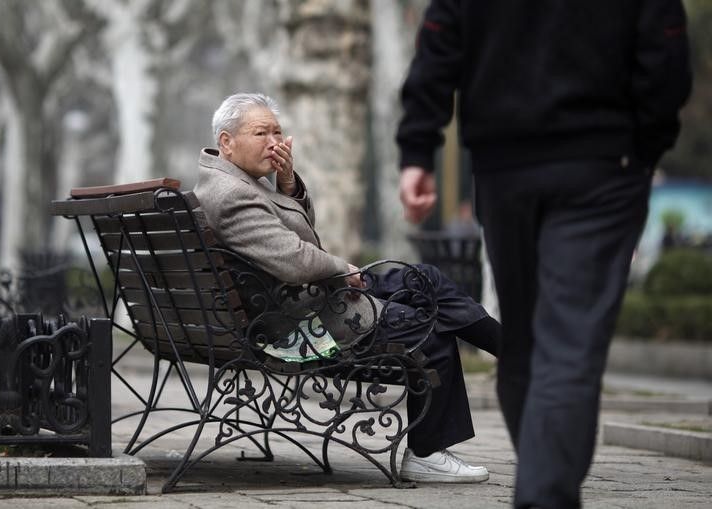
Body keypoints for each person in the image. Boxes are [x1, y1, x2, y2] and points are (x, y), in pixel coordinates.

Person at [395, 1, 692, 507]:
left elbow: (439, 43)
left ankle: (545, 483)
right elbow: (665, 49)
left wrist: (418, 150)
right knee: (566, 344)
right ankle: (546, 493)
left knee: (530, 344)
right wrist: (643, 147)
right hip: (601, 165)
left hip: (506, 168)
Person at [194, 92, 501, 483]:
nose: (274, 142)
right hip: (298, 326)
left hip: (295, 305)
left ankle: (513, 351)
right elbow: (294, 260)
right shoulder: (233, 194)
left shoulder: (228, 181)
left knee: (423, 280)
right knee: (428, 327)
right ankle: (426, 453)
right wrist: (342, 270)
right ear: (227, 141)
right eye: (261, 133)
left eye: (278, 131)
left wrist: (287, 185)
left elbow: (293, 239)